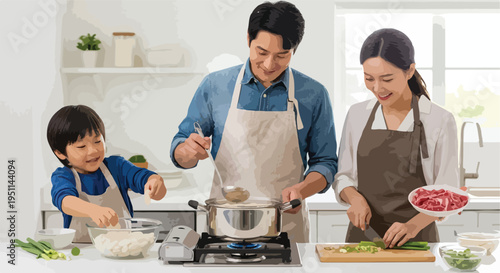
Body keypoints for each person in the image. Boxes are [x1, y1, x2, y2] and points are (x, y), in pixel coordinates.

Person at [171, 1, 337, 243]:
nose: (270, 65)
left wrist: (302, 190)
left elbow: (326, 163)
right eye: (262, 52)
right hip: (226, 225)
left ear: (295, 50)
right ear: (248, 38)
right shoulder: (215, 86)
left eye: (282, 55)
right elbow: (180, 149)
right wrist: (187, 151)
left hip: (285, 225)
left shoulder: (314, 94)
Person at [333, 28, 459, 248]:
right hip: (363, 241)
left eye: (387, 79)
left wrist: (412, 226)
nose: (377, 88)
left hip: (418, 242)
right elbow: (343, 176)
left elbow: (447, 192)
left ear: (410, 71)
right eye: (368, 78)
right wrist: (354, 198)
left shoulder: (439, 120)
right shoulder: (357, 114)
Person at [47, 105, 167, 242]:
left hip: (123, 248)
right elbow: (65, 200)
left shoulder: (117, 166)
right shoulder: (63, 176)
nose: (93, 151)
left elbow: (144, 178)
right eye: (81, 147)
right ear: (60, 153)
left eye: (97, 141)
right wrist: (93, 210)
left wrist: (155, 183)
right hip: (80, 254)